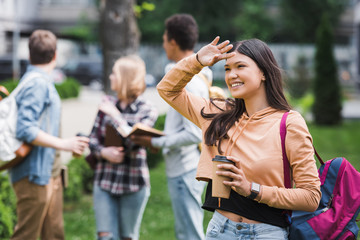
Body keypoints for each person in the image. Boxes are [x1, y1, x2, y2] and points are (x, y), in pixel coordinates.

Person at [156, 37, 322, 239]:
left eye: (240, 66)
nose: (231, 75)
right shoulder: (218, 113)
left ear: (263, 72)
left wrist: (251, 189)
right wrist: (197, 60)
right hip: (220, 230)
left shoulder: (289, 123)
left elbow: (311, 197)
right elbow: (167, 89)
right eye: (227, 69)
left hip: (266, 233)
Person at [132, 14, 212, 240]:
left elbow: (194, 133)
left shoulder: (191, 83)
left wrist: (155, 141)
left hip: (186, 170)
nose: (163, 44)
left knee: (190, 234)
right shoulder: (189, 78)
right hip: (183, 168)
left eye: (164, 39)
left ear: (174, 42)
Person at [10, 29, 89, 240]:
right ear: (55, 55)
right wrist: (64, 144)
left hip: (48, 174)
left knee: (53, 235)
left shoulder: (40, 81)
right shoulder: (37, 84)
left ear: (29, 55)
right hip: (33, 176)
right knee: (26, 236)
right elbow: (25, 129)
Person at [88, 55, 158, 240]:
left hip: (133, 183)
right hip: (105, 180)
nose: (110, 77)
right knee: (105, 237)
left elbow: (134, 140)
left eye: (114, 74)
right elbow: (92, 139)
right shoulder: (106, 105)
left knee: (128, 237)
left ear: (126, 78)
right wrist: (103, 152)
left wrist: (115, 115)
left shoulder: (148, 110)